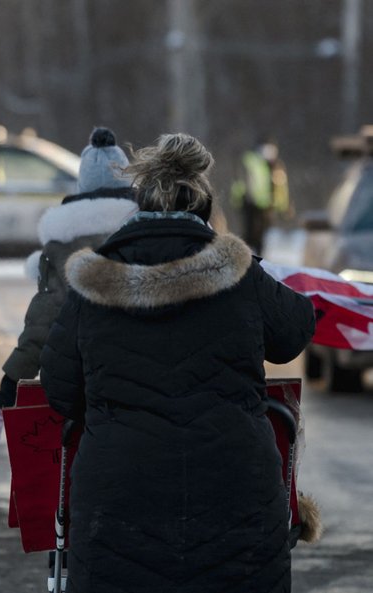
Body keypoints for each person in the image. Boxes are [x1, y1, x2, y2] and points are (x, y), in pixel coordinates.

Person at [39, 133, 315, 592]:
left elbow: (61, 390)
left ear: (137, 203)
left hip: (119, 501)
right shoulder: (239, 272)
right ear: (202, 206)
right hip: (236, 494)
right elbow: (293, 332)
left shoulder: (92, 282)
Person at [0, 127, 138, 450]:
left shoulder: (64, 247)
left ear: (83, 187)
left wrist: (6, 392)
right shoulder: (152, 232)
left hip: (89, 394)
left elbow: (43, 324)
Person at [230, 136, 290, 253]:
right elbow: (240, 182)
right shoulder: (250, 161)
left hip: (268, 206)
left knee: (263, 236)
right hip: (251, 204)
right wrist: (240, 199)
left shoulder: (276, 165)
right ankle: (246, 257)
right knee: (250, 234)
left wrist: (284, 206)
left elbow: (281, 187)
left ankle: (258, 259)